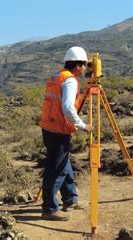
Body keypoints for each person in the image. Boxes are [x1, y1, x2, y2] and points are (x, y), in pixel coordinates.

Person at [39, 46, 93, 221]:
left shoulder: (57, 76)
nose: (85, 68)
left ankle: (70, 199)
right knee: (56, 169)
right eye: (84, 65)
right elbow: (68, 107)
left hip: (49, 127)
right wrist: (82, 125)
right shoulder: (70, 81)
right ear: (78, 65)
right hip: (58, 130)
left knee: (64, 164)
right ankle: (49, 208)